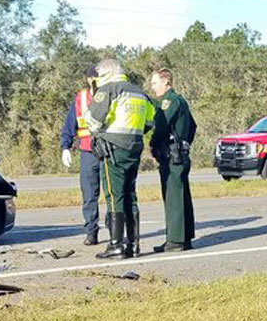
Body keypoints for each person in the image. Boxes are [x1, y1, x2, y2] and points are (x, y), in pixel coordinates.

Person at [82, 58, 156, 259]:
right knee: (130, 194)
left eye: (99, 76)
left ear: (107, 74)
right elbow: (150, 121)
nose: (97, 80)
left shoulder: (109, 89)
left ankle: (116, 245)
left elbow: (92, 120)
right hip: (134, 147)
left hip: (113, 148)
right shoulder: (140, 93)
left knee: (114, 196)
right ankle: (133, 244)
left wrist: (102, 132)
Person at [149, 68, 197, 252]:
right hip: (180, 153)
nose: (153, 87)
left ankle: (175, 240)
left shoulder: (168, 101)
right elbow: (192, 126)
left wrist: (153, 144)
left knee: (173, 197)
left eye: (155, 83)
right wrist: (184, 143)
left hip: (171, 155)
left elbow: (161, 126)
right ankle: (184, 238)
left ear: (165, 82)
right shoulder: (181, 100)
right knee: (182, 195)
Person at [59, 66, 102, 245]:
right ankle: (91, 231)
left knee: (112, 194)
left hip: (108, 150)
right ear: (88, 79)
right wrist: (65, 147)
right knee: (89, 194)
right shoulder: (81, 98)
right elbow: (70, 124)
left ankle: (116, 232)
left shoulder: (111, 95)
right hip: (88, 151)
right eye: (94, 77)